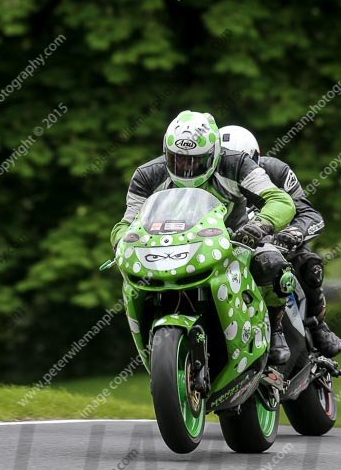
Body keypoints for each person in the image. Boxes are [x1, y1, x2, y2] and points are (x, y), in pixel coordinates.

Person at [110, 110, 296, 364]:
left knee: (272, 264)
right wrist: (123, 242)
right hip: (169, 246)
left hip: (237, 239)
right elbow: (126, 222)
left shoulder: (236, 164)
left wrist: (261, 225)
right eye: (176, 160)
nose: (185, 168)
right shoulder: (147, 175)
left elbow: (280, 201)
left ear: (214, 154)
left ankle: (275, 329)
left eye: (195, 161)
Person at [219, 125, 341, 357]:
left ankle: (317, 325)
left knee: (309, 265)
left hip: (278, 244)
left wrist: (293, 234)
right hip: (225, 251)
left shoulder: (275, 171)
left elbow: (310, 214)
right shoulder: (206, 181)